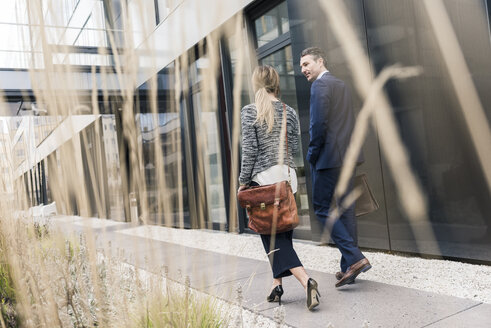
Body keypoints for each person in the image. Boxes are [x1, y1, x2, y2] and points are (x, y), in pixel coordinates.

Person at [238, 65, 320, 310]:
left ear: (255, 84)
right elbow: (294, 148)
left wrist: (243, 182)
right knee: (282, 235)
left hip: (263, 182)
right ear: (276, 83)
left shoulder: (250, 111)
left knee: (272, 238)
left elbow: (250, 151)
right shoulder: (290, 111)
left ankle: (307, 281)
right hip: (287, 179)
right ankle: (276, 285)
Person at [300, 47, 372, 287]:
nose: (304, 70)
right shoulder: (340, 84)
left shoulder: (320, 86)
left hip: (328, 159)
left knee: (322, 208)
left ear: (321, 61)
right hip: (347, 158)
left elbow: (318, 125)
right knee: (346, 209)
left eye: (307, 64)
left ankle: (355, 258)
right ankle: (348, 267)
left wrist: (311, 154)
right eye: (301, 66)